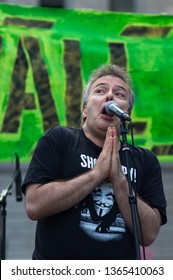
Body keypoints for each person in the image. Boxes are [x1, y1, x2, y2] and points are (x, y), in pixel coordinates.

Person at [22, 64, 167, 260]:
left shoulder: (145, 160)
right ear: (84, 110)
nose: (110, 97)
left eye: (120, 94)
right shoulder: (59, 139)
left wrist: (118, 179)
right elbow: (34, 205)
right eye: (100, 91)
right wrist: (97, 173)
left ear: (127, 114)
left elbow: (148, 234)